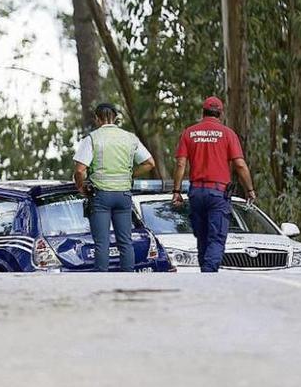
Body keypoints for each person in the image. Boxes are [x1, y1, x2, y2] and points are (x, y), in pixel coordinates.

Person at [171, 97, 255, 272]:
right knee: (215, 238)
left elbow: (180, 164)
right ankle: (209, 274)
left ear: (203, 112)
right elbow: (240, 165)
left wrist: (176, 191)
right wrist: (250, 190)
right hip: (217, 193)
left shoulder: (189, 132)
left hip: (196, 193)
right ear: (221, 114)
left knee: (202, 237)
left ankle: (205, 272)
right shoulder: (228, 134)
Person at [73, 103, 155, 272]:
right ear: (116, 118)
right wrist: (130, 174)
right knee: (125, 241)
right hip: (123, 196)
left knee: (101, 243)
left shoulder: (92, 138)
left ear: (97, 119)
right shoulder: (130, 138)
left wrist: (81, 187)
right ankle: (128, 278)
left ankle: (102, 280)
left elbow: (80, 170)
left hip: (100, 196)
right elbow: (149, 163)